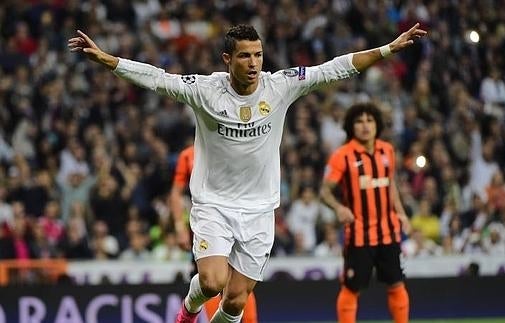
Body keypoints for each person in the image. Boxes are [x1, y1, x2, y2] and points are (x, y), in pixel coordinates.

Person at [68, 23, 426, 323]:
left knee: (236, 302)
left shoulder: (281, 85)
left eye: (258, 54)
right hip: (214, 204)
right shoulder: (206, 91)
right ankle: (187, 312)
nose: (253, 63)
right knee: (211, 282)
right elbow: (158, 79)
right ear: (228, 59)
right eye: (244, 55)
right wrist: (107, 60)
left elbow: (335, 68)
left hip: (259, 210)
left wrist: (388, 49)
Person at [320, 102, 412, 323]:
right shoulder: (342, 155)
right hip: (359, 235)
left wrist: (401, 214)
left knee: (396, 284)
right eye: (359, 121)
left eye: (369, 120)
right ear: (351, 126)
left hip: (388, 232)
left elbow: (390, 185)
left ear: (377, 125)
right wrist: (339, 208)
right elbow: (324, 192)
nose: (365, 126)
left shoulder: (387, 150)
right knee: (352, 288)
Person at [170, 144, 258, 323]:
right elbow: (176, 193)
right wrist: (179, 226)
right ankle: (188, 312)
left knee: (238, 286)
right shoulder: (188, 155)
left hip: (241, 222)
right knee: (212, 282)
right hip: (207, 225)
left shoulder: (241, 145)